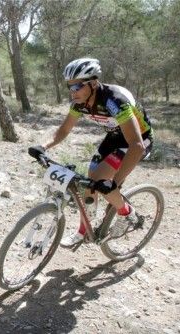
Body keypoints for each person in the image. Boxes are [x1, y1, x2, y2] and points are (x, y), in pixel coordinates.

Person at [31, 58, 154, 248]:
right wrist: (43, 146)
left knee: (103, 183)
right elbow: (63, 131)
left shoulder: (114, 101)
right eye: (69, 87)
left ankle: (126, 213)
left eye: (77, 86)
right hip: (114, 137)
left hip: (138, 141)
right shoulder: (80, 102)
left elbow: (136, 145)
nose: (73, 92)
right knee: (90, 182)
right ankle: (84, 231)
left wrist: (114, 183)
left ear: (93, 83)